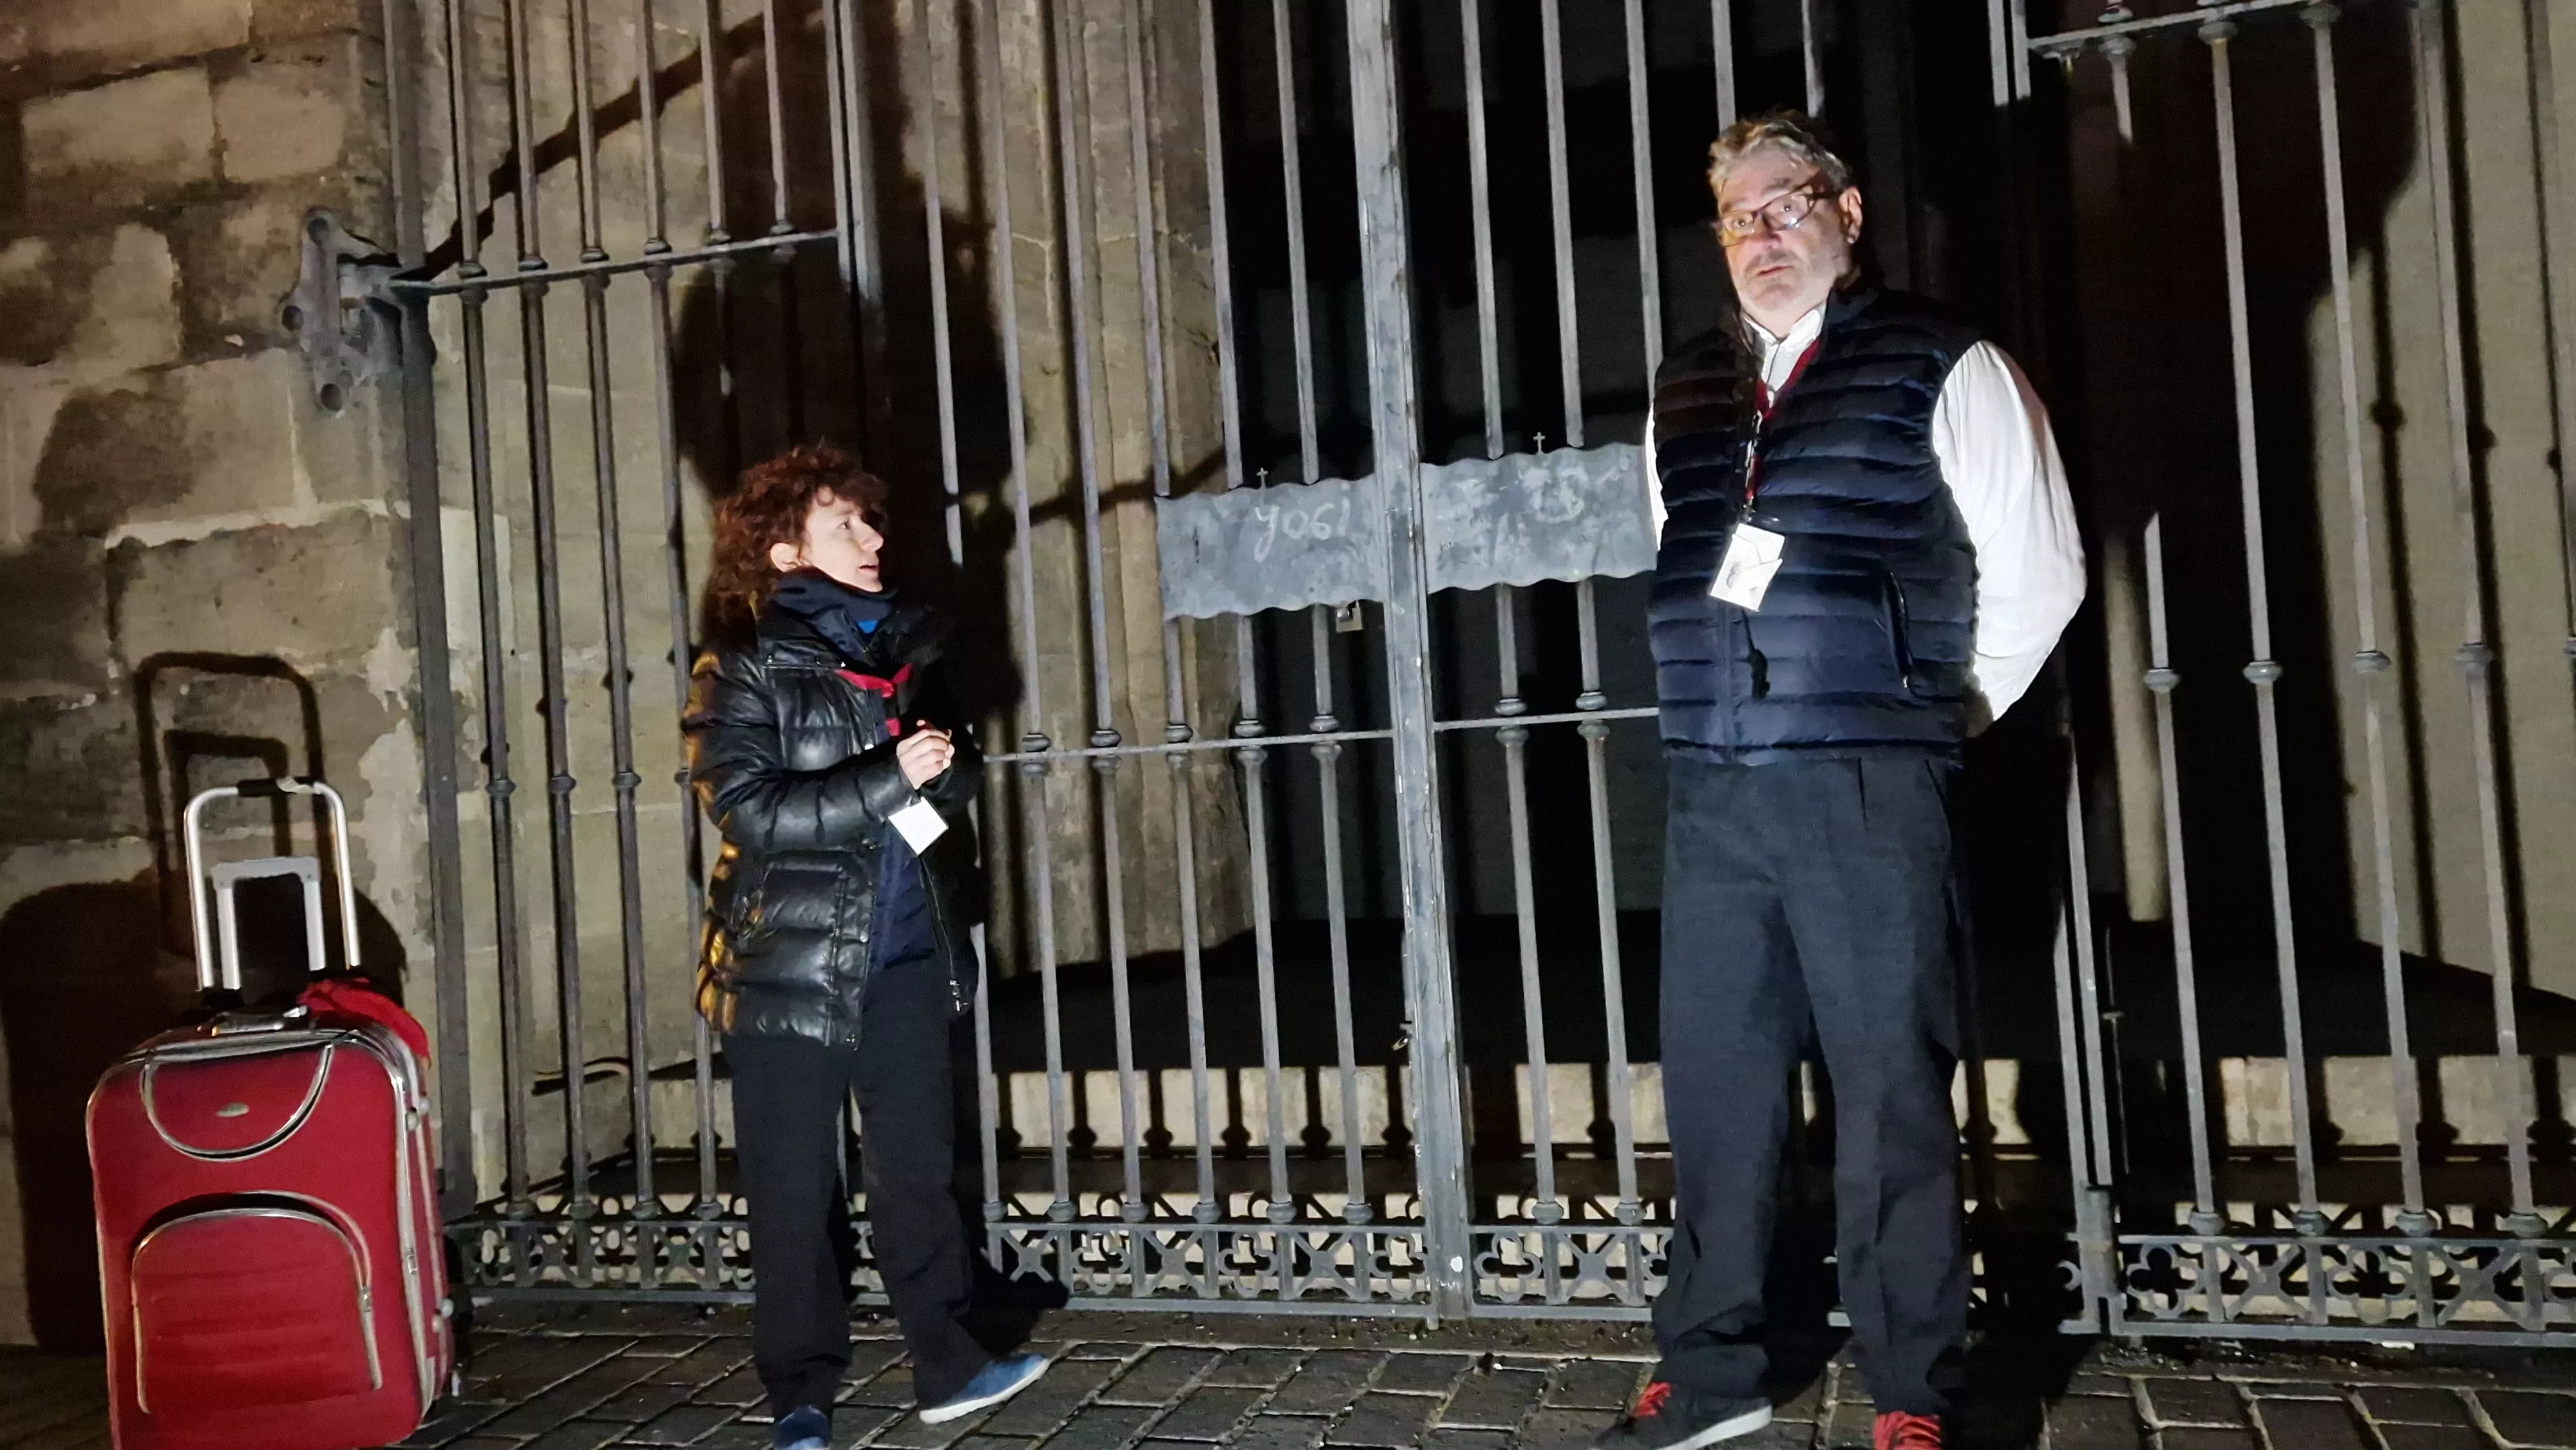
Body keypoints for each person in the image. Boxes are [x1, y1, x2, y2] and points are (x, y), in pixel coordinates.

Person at [1605, 115, 2085, 1450]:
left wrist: (1925, 711)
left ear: (1847, 212)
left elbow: (2039, 571)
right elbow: (1679, 544)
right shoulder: (1688, 383)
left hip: (1869, 777)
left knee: (1887, 1089)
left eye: (1785, 204)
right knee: (1717, 1086)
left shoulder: (1946, 359)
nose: (1760, 236)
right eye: (1736, 218)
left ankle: (1913, 1392)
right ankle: (1709, 1372)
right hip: (1717, 780)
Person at [686, 444, 1050, 1450]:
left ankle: (950, 1365)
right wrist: (892, 777)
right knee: (794, 1189)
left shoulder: (903, 657)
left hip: (905, 958)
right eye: (845, 523)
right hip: (789, 972)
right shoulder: (741, 668)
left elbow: (946, 791)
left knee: (916, 1174)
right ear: (786, 550)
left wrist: (941, 778)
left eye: (870, 519)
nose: (872, 537)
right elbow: (749, 810)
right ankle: (801, 1393)